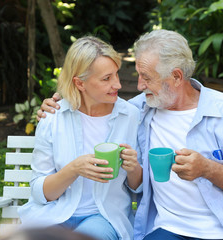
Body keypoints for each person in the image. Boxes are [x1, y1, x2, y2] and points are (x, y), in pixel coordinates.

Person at [38, 30, 223, 240]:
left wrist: (208, 169)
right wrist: (59, 101)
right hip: (170, 229)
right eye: (139, 75)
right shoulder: (139, 109)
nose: (139, 85)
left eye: (147, 77)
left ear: (176, 77)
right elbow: (90, 99)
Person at [19, 36, 142, 240]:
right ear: (80, 83)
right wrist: (74, 169)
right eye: (106, 79)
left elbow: (138, 188)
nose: (118, 84)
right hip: (54, 214)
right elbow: (40, 193)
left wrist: (134, 168)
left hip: (104, 217)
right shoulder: (53, 117)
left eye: (116, 75)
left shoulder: (131, 116)